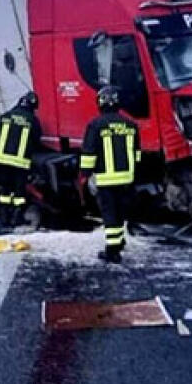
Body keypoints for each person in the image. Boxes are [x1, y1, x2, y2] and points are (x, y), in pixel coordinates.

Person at [80, 86, 141, 263]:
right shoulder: (131, 125)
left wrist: (85, 174)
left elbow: (89, 153)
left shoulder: (95, 125)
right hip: (126, 178)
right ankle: (120, 242)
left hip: (106, 179)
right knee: (120, 212)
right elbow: (137, 154)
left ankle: (112, 251)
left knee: (110, 214)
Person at [0, 92, 42, 225]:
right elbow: (37, 140)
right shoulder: (32, 120)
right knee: (19, 192)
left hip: (1, 161)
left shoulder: (5, 116)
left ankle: (4, 217)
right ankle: (17, 217)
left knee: (5, 189)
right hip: (20, 163)